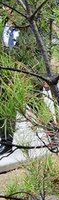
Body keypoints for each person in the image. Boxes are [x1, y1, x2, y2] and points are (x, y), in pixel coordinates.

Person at [0, 13, 19, 156]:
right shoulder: (3, 26)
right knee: (6, 106)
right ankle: (6, 142)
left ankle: (54, 134)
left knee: (36, 103)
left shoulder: (24, 26)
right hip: (6, 72)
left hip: (24, 72)